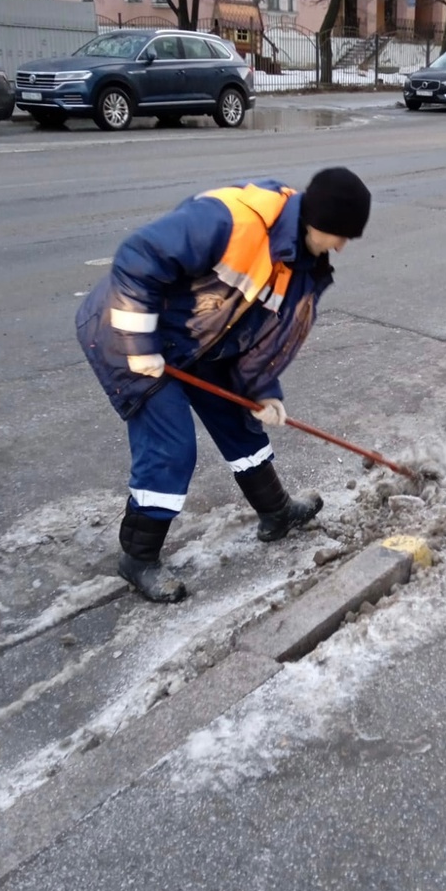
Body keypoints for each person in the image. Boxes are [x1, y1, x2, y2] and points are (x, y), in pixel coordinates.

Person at [76, 167, 371, 603]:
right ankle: (138, 558)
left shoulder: (300, 261)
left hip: (197, 341)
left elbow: (262, 332)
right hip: (130, 332)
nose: (342, 247)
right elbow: (137, 259)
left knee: (241, 421)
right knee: (171, 447)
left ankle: (276, 512)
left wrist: (265, 391)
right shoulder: (232, 220)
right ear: (317, 222)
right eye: (340, 235)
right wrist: (140, 347)